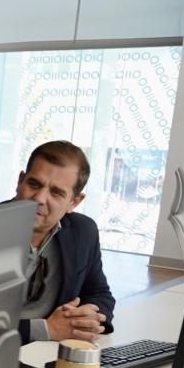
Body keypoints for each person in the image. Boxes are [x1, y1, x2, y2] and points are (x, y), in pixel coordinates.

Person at [15, 140, 115, 343]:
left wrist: (88, 317)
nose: (40, 198)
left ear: (74, 202)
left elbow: (99, 293)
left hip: (49, 352)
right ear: (20, 181)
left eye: (56, 192)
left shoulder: (83, 231)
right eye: (34, 184)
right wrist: (46, 330)